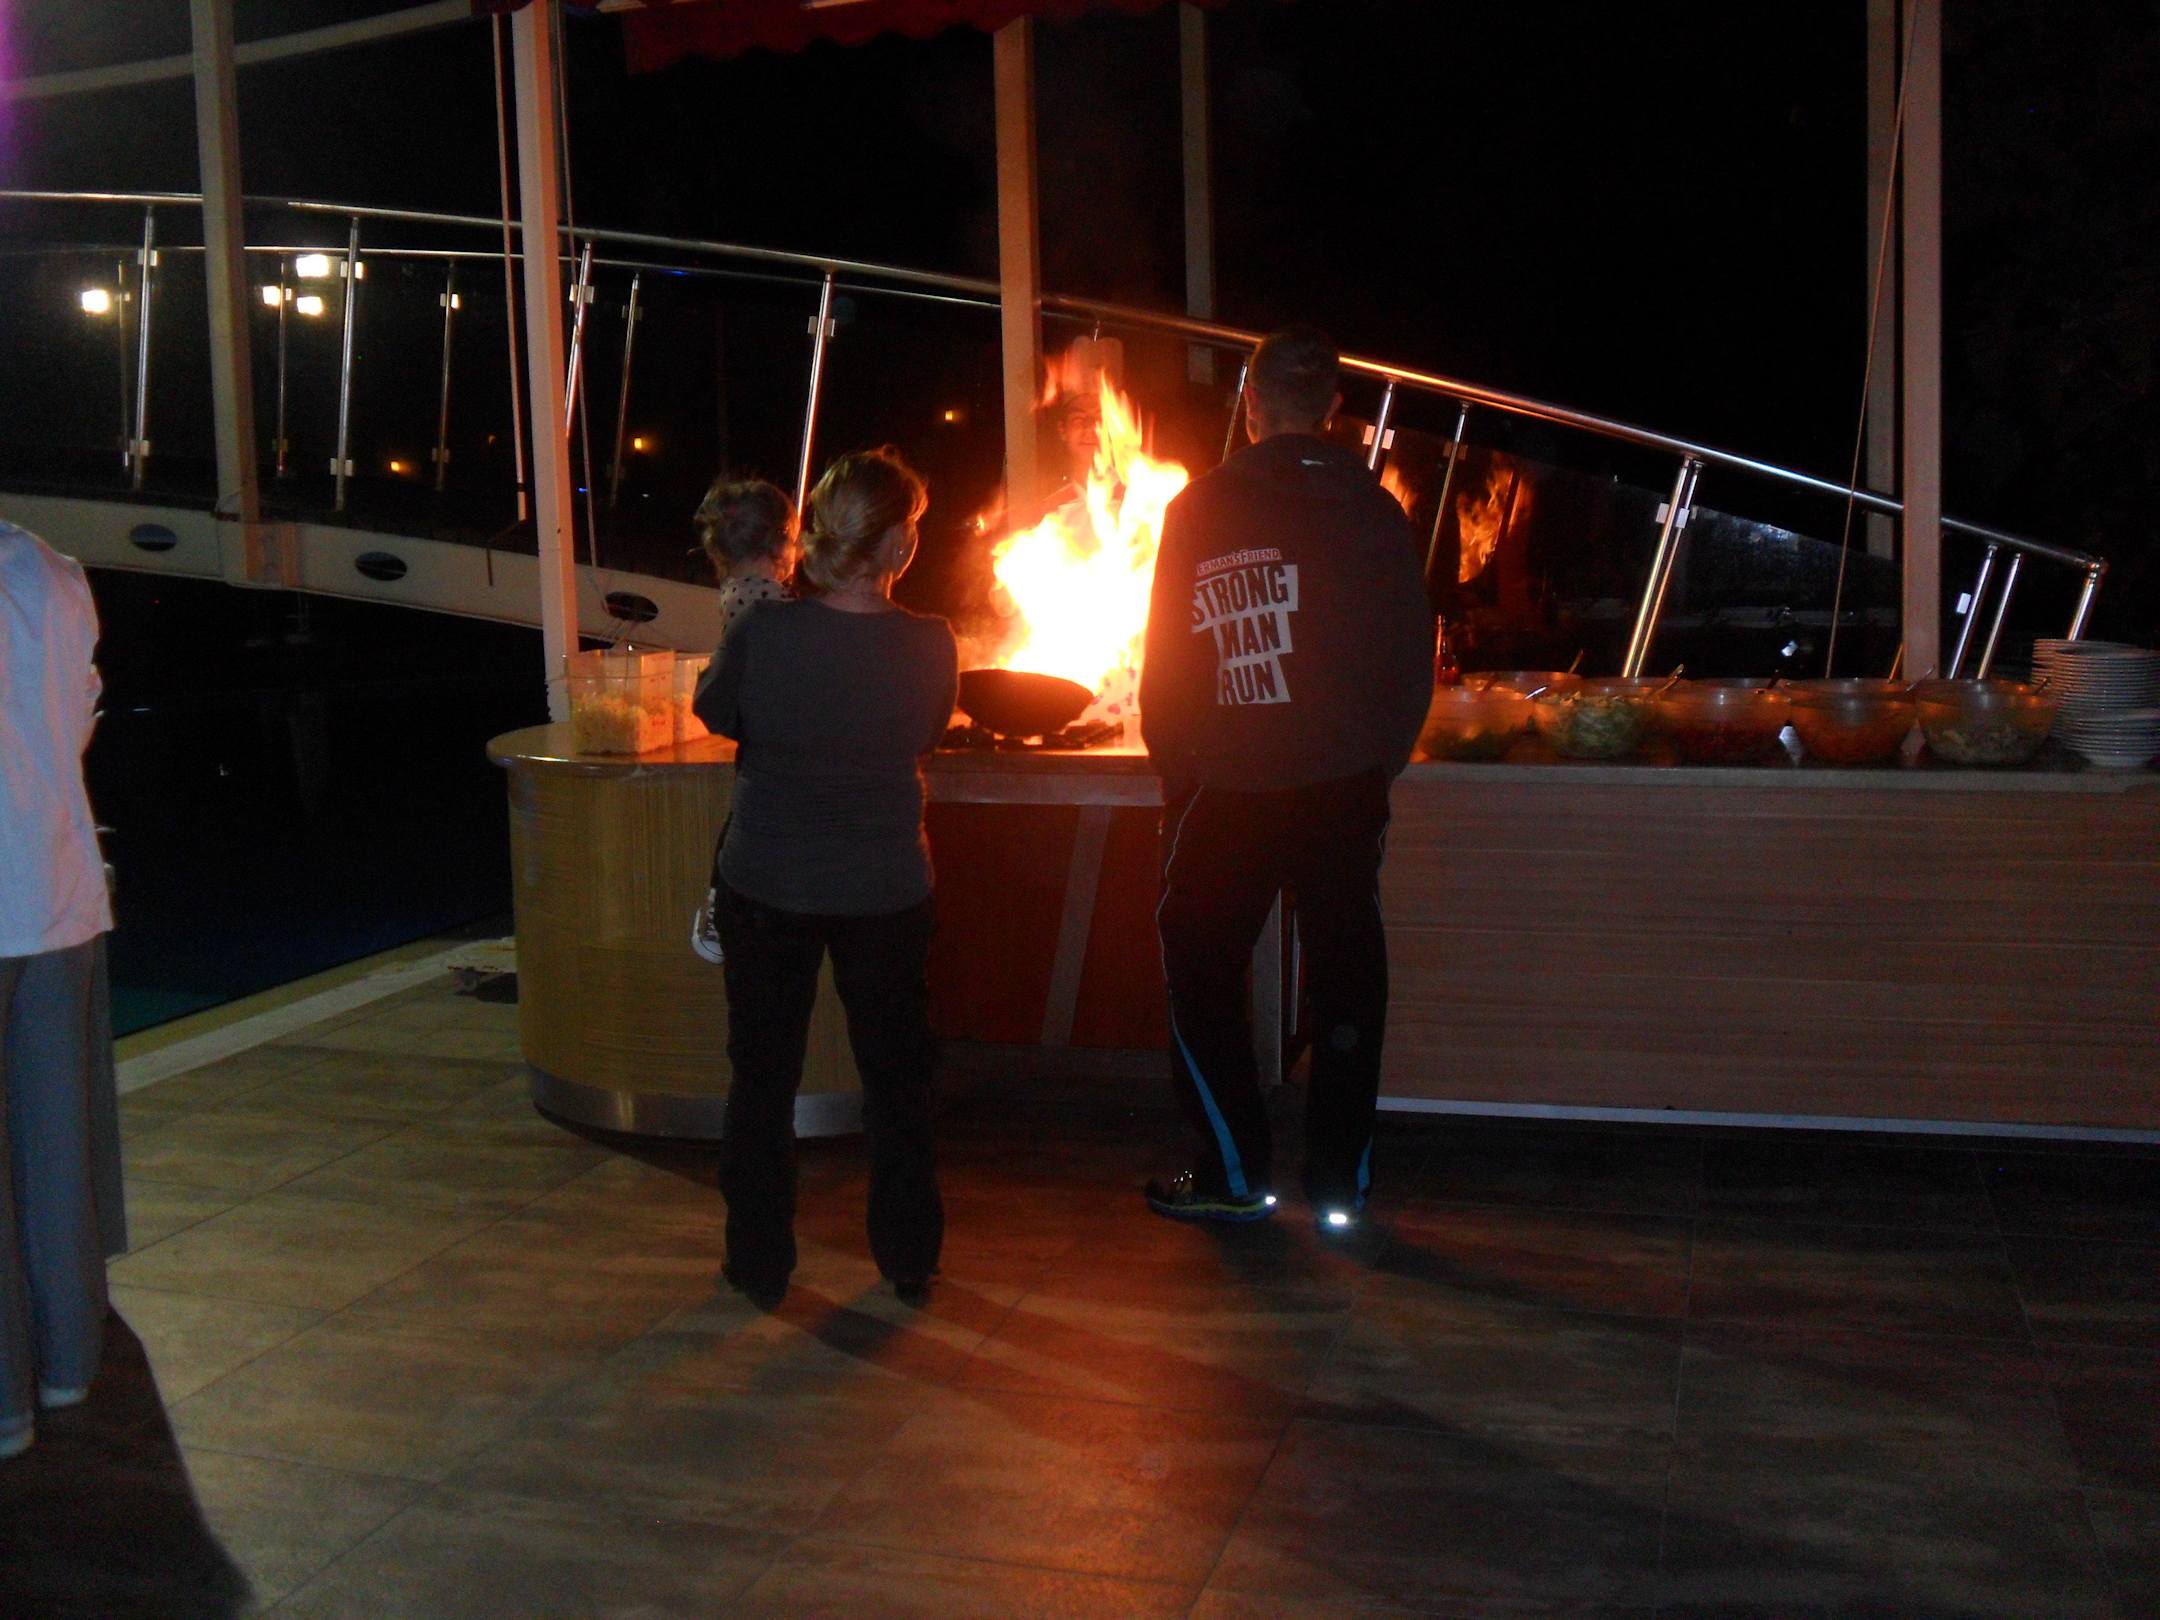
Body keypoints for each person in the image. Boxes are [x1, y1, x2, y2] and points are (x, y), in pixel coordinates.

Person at [1138, 326, 1434, 1233]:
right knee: (1348, 982)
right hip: (1342, 786)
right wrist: (1375, 766)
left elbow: (1168, 664)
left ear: (1250, 401)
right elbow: (1410, 661)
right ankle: (1340, 1186)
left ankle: (1233, 1171)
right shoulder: (1377, 511)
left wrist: (1178, 773)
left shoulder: (1197, 508)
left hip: (1227, 790)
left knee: (1199, 967)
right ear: (1334, 407)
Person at [692, 448, 958, 1306]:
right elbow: (925, 734)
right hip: (885, 887)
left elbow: (715, 710)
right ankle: (907, 1256)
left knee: (761, 1078)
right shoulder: (930, 643)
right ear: (896, 547)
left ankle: (759, 1262)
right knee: (898, 1082)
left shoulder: (763, 633)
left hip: (767, 881)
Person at [1, 518, 124, 1459]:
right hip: (57, 893)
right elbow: (79, 716)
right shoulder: (51, 570)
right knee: (56, 1148)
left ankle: (5, 1406)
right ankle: (68, 1363)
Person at [689, 478, 799, 965]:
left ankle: (720, 911)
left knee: (740, 822)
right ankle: (720, 915)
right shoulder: (770, 601)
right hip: (781, 743)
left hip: (760, 741)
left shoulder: (735, 592)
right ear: (782, 543)